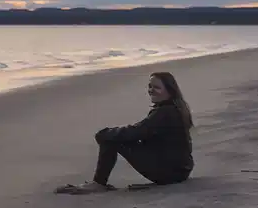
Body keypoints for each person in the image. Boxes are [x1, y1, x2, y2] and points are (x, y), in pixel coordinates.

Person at [57, 71, 194, 194]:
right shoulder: (176, 107)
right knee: (115, 136)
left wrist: (105, 134)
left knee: (109, 139)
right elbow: (142, 130)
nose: (151, 90)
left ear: (170, 90)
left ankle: (98, 183)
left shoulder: (165, 112)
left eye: (156, 87)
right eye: (150, 86)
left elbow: (137, 131)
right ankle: (99, 182)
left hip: (170, 174)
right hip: (180, 170)